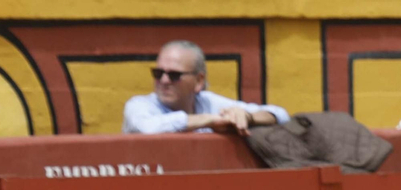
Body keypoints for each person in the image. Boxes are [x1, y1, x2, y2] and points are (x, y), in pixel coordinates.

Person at [122, 41, 289, 135]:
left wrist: (247, 117)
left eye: (174, 75)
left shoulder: (207, 102)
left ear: (198, 81)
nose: (164, 81)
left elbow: (280, 114)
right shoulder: (139, 105)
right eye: (158, 73)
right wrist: (210, 119)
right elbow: (148, 128)